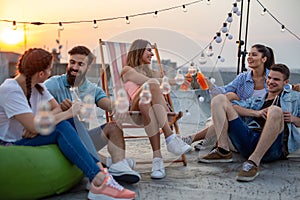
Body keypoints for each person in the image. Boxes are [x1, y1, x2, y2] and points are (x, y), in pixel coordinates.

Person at [0, 48, 136, 199]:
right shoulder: (11, 89)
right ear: (41, 74)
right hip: (12, 143)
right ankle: (99, 178)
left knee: (71, 121)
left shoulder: (39, 87)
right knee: (64, 124)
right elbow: (37, 124)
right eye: (49, 69)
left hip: (38, 136)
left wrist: (39, 124)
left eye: (80, 64)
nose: (50, 73)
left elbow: (53, 111)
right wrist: (68, 112)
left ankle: (105, 173)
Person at [45, 45, 140, 184]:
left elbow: (107, 103)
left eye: (80, 64)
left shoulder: (92, 89)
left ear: (88, 67)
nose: (75, 67)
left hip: (86, 140)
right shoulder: (53, 84)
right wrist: (60, 108)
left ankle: (119, 165)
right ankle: (107, 163)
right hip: (61, 139)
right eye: (72, 62)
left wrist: (117, 108)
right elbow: (37, 108)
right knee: (72, 122)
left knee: (114, 127)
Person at [198, 63, 300, 182]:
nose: (271, 81)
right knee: (220, 99)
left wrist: (295, 119)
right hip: (249, 140)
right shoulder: (257, 100)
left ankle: (253, 162)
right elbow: (234, 107)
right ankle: (223, 150)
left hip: (274, 148)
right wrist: (256, 113)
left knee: (275, 110)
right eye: (269, 78)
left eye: (276, 79)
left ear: (286, 82)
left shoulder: (294, 98)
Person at [120, 39, 192, 179]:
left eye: (152, 51)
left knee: (146, 104)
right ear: (138, 51)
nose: (152, 54)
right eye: (148, 50)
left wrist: (165, 77)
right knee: (151, 84)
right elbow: (146, 82)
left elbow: (162, 86)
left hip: (147, 109)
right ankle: (170, 137)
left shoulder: (153, 72)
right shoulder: (127, 70)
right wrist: (175, 81)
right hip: (134, 110)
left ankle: (157, 160)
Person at [183, 44, 275, 150]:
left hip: (260, 119)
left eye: (254, 55)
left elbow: (286, 88)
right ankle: (201, 139)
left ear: (264, 59)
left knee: (230, 103)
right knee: (230, 95)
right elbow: (224, 91)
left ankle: (195, 139)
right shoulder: (243, 78)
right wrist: (208, 83)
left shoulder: (272, 77)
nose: (249, 57)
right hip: (242, 116)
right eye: (249, 54)